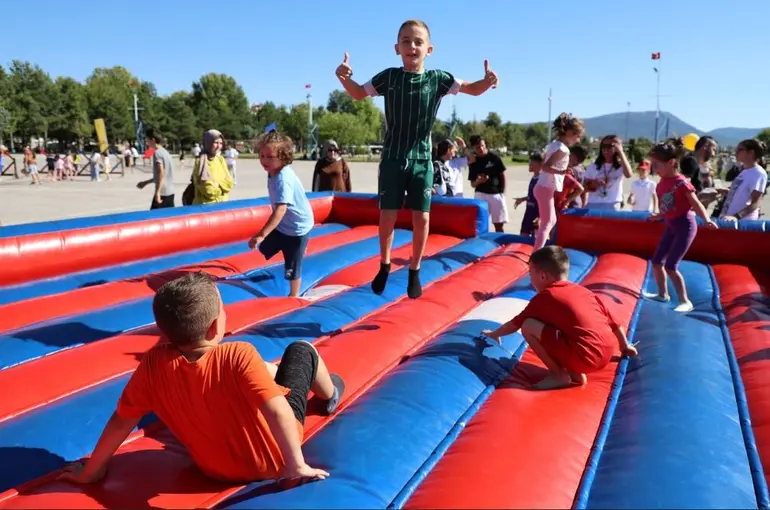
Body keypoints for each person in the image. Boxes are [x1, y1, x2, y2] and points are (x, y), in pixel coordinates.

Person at [58, 272, 344, 486]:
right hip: (274, 461)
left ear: (162, 330)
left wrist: (93, 471)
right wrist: (295, 465)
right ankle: (329, 392)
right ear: (216, 325)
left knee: (266, 371)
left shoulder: (153, 365)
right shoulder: (238, 355)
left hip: (215, 469)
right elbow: (277, 409)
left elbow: (121, 420)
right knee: (301, 351)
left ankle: (273, 374)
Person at [335, 19, 498, 299]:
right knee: (387, 214)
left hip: (422, 158)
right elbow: (359, 93)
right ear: (397, 47)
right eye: (406, 41)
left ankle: (415, 269)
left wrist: (488, 81)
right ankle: (385, 265)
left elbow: (472, 88)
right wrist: (343, 77)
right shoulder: (389, 77)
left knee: (422, 217)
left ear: (429, 49)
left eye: (418, 41)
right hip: (393, 157)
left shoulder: (438, 79)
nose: (412, 46)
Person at [482, 246, 638, 390]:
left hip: (584, 357)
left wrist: (494, 334)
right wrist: (624, 346)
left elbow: (516, 323)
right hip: (605, 355)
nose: (530, 279)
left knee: (529, 325)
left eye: (531, 274)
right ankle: (574, 373)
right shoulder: (584, 292)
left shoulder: (546, 296)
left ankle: (558, 375)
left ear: (542, 275)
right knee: (564, 327)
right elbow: (614, 322)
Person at [645, 138, 718, 313]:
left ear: (671, 163)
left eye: (656, 164)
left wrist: (706, 220)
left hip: (685, 226)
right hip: (671, 225)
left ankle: (685, 301)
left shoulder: (681, 183)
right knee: (656, 262)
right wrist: (659, 215)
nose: (654, 168)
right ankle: (663, 294)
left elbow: (696, 203)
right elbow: (667, 205)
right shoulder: (661, 183)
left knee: (671, 266)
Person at [248, 131, 314, 298]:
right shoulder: (273, 171)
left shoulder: (283, 178)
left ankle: (294, 294)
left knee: (292, 264)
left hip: (297, 228)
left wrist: (262, 234)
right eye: (262, 155)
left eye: (270, 157)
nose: (264, 160)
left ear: (283, 157)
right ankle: (281, 247)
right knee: (265, 249)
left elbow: (280, 209)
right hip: (284, 224)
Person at [532, 113, 585, 250]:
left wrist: (563, 170)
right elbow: (545, 167)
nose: (578, 140)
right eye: (577, 136)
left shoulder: (555, 145)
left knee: (551, 220)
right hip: (544, 188)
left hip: (544, 188)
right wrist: (561, 172)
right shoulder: (563, 150)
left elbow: (547, 164)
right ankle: (535, 254)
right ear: (569, 133)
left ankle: (539, 248)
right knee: (548, 222)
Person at [717, 139, 767, 221]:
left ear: (751, 153)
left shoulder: (758, 173)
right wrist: (727, 191)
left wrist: (737, 217)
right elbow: (742, 193)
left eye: (740, 149)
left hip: (741, 223)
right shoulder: (744, 171)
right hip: (727, 220)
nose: (736, 152)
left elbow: (756, 202)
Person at [468, 135, 507, 231]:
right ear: (474, 148)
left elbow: (503, 175)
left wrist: (503, 192)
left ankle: (500, 244)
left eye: (482, 145)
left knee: (498, 225)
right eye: (477, 147)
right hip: (480, 195)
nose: (481, 148)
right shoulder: (473, 162)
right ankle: (480, 244)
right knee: (479, 224)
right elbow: (472, 184)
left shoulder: (494, 158)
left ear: (485, 144)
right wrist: (478, 181)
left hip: (495, 194)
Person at [582, 135, 633, 210]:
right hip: (594, 203)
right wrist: (594, 183)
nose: (605, 149)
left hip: (613, 204)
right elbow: (584, 187)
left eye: (610, 146)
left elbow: (629, 175)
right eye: (603, 146)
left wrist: (621, 152)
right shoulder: (593, 166)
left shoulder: (621, 166)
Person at [192, 130, 233, 205]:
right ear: (208, 142)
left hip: (223, 205)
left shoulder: (221, 159)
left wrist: (217, 184)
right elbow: (208, 190)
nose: (218, 146)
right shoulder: (200, 161)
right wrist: (221, 190)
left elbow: (229, 182)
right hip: (206, 208)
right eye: (216, 143)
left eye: (220, 143)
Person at [136, 133, 176, 209]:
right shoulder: (165, 152)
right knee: (169, 218)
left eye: (147, 139)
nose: (146, 142)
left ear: (153, 140)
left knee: (154, 218)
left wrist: (158, 192)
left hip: (163, 193)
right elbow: (160, 175)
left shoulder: (157, 153)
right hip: (170, 192)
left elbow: (161, 173)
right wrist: (145, 182)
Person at [513, 152, 542, 237]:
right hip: (528, 212)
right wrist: (522, 199)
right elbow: (533, 195)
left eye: (532, 162)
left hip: (536, 214)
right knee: (523, 235)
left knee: (535, 239)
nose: (530, 164)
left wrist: (540, 217)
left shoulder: (542, 181)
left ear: (541, 164)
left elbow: (545, 200)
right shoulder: (534, 178)